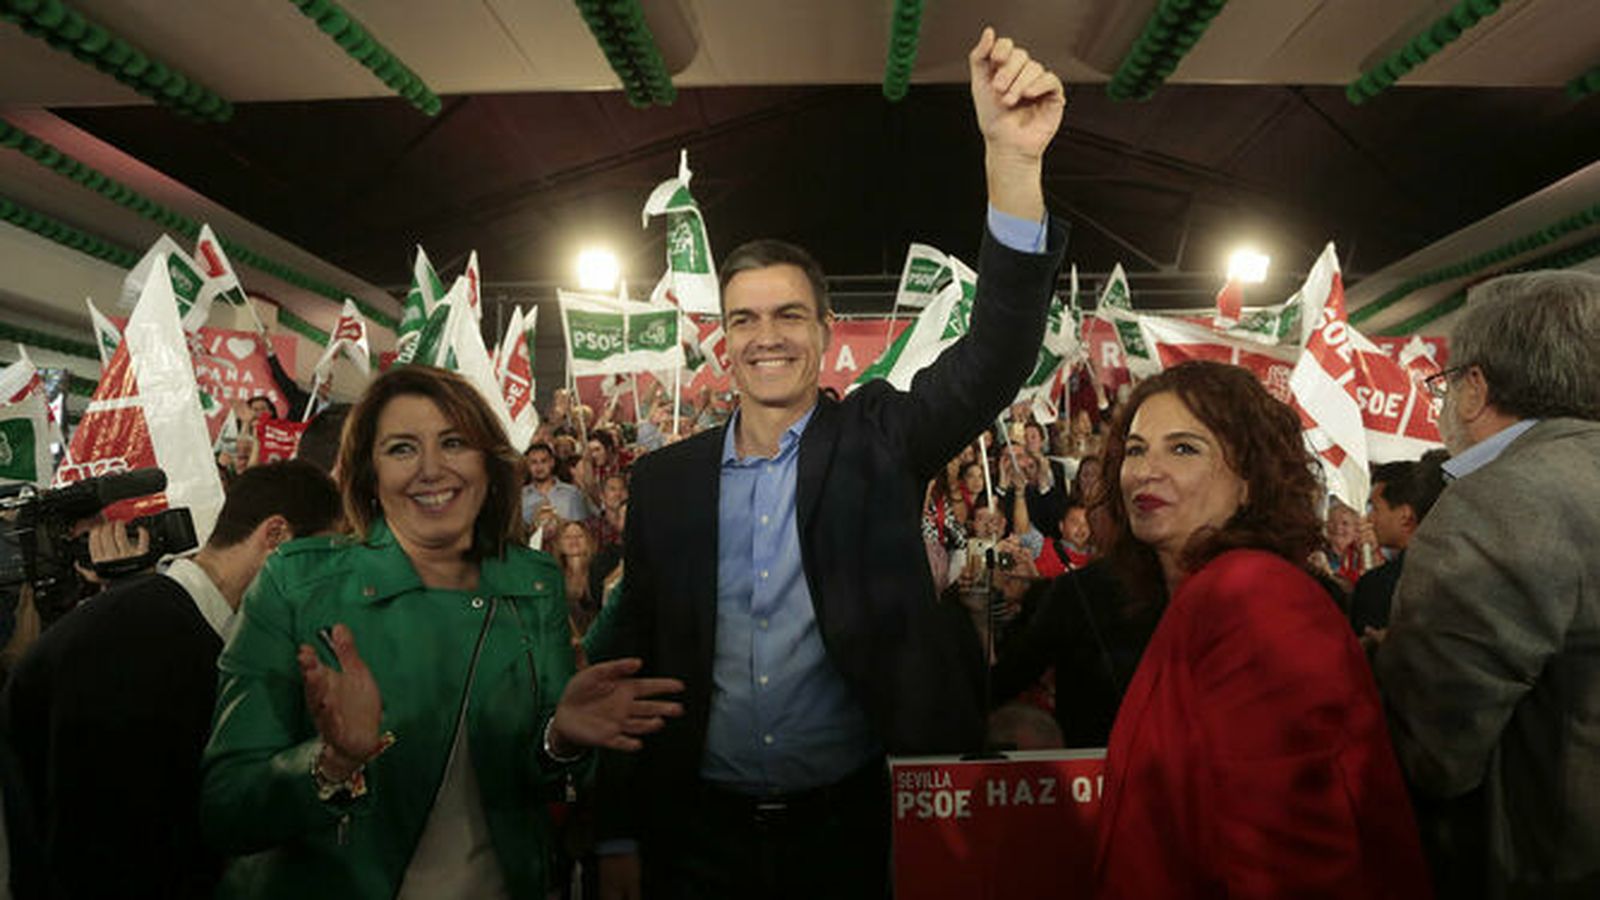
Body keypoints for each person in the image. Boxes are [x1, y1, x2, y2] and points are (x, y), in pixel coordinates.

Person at [596, 26, 1068, 899]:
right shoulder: (665, 486)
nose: (765, 336)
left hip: (853, 832)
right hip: (699, 841)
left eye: (787, 316)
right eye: (744, 319)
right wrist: (616, 829)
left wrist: (1013, 165)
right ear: (722, 341)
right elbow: (635, 668)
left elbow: (998, 350)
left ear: (822, 334)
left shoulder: (881, 440)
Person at [200, 366, 683, 899]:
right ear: (369, 475)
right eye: (402, 449)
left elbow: (541, 777)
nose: (431, 469)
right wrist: (332, 762)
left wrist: (560, 739)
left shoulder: (533, 582)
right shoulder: (297, 582)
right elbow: (226, 807)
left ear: (488, 463)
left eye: (453, 442)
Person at [1091, 361, 1429, 898]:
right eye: (1135, 449)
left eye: (1183, 448)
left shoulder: (1253, 597)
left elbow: (1295, 854)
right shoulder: (1207, 596)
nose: (1145, 470)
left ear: (1251, 481)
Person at [1, 462, 343, 900]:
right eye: (326, 559)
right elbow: (110, 848)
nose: (332, 587)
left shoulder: (177, 628)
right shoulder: (140, 642)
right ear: (275, 538)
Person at [1375, 270, 1600, 898]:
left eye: (1446, 384)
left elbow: (1435, 752)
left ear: (1474, 387)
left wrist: (1382, 663)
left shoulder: (1499, 499)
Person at [1348, 452, 1446, 641]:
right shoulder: (1463, 573)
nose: (1368, 519)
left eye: (1375, 508)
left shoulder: (1377, 586)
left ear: (1405, 516)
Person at [522, 440, 593, 529]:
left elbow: (583, 527)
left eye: (543, 461)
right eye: (533, 462)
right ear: (527, 465)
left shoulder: (572, 493)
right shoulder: (520, 497)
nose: (539, 467)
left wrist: (559, 522)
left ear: (552, 462)